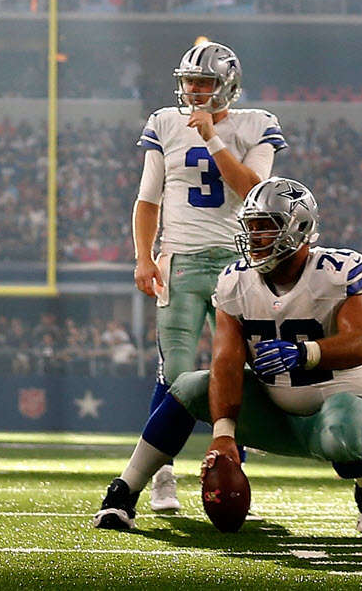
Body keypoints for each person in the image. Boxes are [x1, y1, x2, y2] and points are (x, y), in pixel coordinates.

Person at [95, 178, 362, 537]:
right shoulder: (236, 281)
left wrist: (306, 353)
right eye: (251, 227)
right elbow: (227, 362)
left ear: (299, 227)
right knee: (190, 385)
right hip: (272, 410)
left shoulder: (336, 271)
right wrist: (224, 434)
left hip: (334, 407)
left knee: (342, 440)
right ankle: (123, 493)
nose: (255, 238)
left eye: (266, 227)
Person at [130, 41, 286, 514]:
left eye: (205, 83)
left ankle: (232, 468)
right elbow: (148, 199)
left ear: (228, 87)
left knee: (238, 370)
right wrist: (143, 256)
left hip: (238, 265)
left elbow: (254, 191)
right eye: (189, 82)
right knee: (176, 374)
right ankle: (161, 473)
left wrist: (213, 139)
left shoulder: (256, 124)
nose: (194, 91)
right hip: (179, 259)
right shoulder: (164, 122)